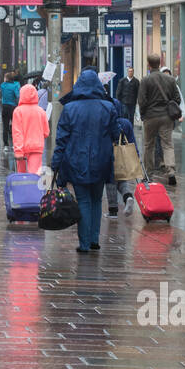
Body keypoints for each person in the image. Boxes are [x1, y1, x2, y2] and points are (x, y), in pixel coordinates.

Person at [51, 68, 117, 253]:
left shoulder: (70, 108)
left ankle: (85, 243)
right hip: (102, 160)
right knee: (96, 200)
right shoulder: (108, 107)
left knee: (84, 201)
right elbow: (116, 133)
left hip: (76, 160)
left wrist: (55, 164)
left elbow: (61, 140)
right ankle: (94, 239)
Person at [138, 53, 182, 186]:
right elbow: (177, 99)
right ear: (160, 63)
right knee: (167, 144)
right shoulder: (170, 79)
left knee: (149, 145)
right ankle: (171, 171)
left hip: (150, 117)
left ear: (149, 65)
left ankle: (148, 174)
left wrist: (143, 114)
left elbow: (142, 101)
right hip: (166, 117)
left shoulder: (145, 80)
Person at [11, 83, 49, 173]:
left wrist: (18, 151)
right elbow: (46, 132)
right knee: (34, 175)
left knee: (22, 176)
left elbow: (17, 133)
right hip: (37, 147)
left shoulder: (18, 111)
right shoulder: (41, 111)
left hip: (22, 149)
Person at [1, 72, 21, 147]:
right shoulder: (15, 85)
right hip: (13, 107)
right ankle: (14, 143)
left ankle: (5, 144)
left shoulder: (2, 85)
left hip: (5, 106)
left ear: (6, 79)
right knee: (15, 126)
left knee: (5, 126)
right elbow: (17, 95)